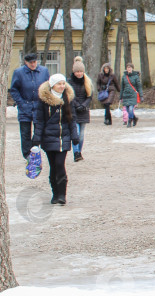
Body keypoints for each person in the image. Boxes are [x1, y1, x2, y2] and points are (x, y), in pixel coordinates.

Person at [32, 73, 79, 205]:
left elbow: (72, 120)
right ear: (53, 85)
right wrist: (36, 139)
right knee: (53, 166)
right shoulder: (44, 101)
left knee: (60, 164)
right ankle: (55, 193)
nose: (62, 86)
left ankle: (62, 194)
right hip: (48, 138)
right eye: (59, 84)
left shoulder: (68, 99)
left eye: (63, 83)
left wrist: (74, 136)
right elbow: (39, 121)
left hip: (63, 138)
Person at [9, 53, 50, 160]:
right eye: (30, 62)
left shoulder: (44, 71)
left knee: (39, 131)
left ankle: (34, 150)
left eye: (34, 62)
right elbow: (14, 89)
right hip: (25, 106)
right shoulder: (18, 72)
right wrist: (21, 103)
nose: (33, 64)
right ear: (26, 63)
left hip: (39, 106)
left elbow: (48, 87)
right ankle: (27, 155)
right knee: (25, 133)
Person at [67, 57, 93, 162]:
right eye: (77, 71)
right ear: (74, 72)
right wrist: (77, 105)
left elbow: (90, 96)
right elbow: (69, 95)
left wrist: (84, 105)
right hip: (73, 110)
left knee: (81, 134)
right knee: (76, 133)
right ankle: (76, 152)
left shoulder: (87, 81)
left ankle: (79, 151)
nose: (79, 73)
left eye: (81, 71)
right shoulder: (69, 81)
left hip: (84, 110)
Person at [120, 63, 144, 127]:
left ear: (132, 68)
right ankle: (134, 118)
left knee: (131, 109)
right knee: (127, 109)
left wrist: (141, 95)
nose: (129, 69)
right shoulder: (124, 76)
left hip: (133, 94)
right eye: (128, 67)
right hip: (126, 95)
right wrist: (120, 96)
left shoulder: (136, 76)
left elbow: (139, 87)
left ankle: (130, 120)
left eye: (130, 67)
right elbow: (122, 87)